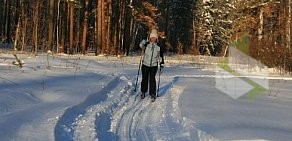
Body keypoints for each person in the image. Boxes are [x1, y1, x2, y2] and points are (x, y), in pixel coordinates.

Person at [139, 29, 164, 102]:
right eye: (152, 37)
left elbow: (161, 56)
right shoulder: (146, 44)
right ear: (150, 38)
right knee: (144, 78)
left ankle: (152, 94)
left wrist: (162, 64)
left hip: (153, 65)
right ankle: (143, 92)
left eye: (154, 37)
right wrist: (142, 42)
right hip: (145, 64)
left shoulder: (159, 46)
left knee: (152, 79)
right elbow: (140, 46)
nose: (153, 39)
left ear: (156, 38)